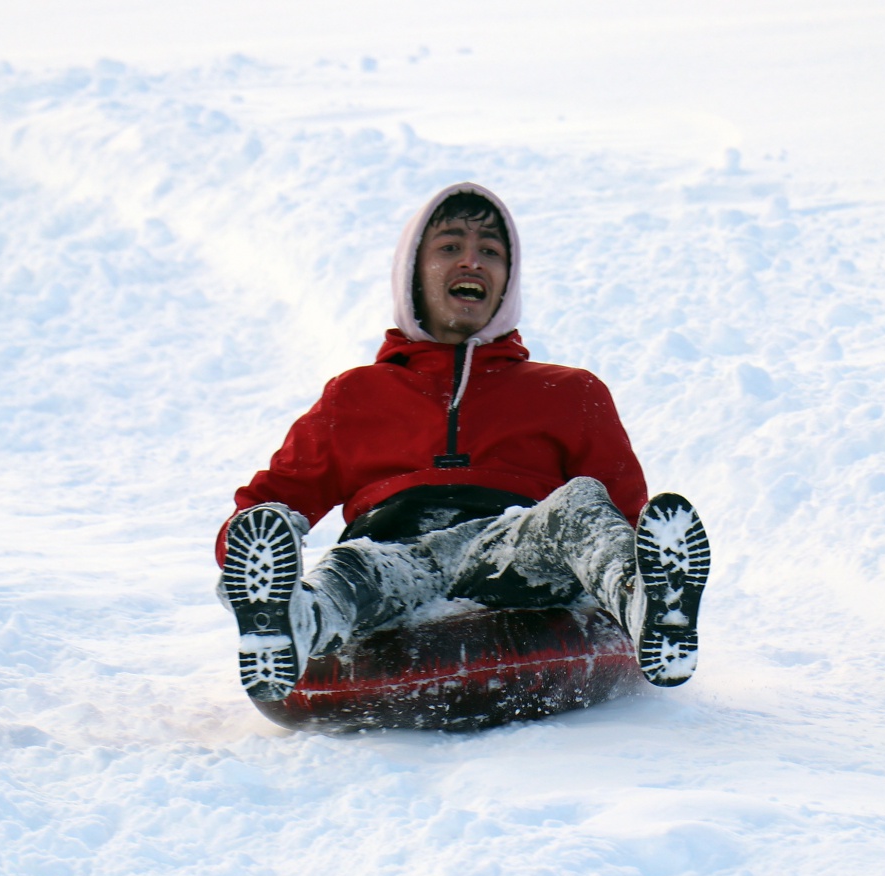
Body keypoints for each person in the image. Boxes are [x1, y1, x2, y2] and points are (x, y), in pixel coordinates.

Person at [216, 182, 710, 703]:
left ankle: (644, 603)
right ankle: (291, 623)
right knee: (349, 568)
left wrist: (624, 557)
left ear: (507, 281)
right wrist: (258, 550)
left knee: (581, 506)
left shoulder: (569, 392)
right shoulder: (355, 395)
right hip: (393, 552)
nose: (472, 262)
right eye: (450, 247)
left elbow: (624, 514)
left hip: (514, 546)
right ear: (412, 274)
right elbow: (272, 504)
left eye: (490, 252)